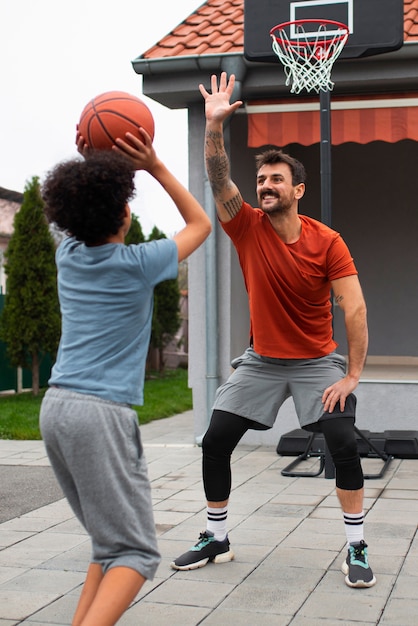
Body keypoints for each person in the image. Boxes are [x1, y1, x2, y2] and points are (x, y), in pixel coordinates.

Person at [171, 72, 376, 589]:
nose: (264, 187)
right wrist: (213, 128)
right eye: (261, 180)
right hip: (261, 359)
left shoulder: (328, 242)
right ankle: (216, 536)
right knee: (215, 440)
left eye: (275, 180)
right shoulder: (245, 226)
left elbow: (354, 309)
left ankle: (355, 544)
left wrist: (350, 376)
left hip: (316, 362)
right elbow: (219, 179)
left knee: (342, 440)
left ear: (297, 190)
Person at [39, 128, 211, 626]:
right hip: (100, 415)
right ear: (122, 213)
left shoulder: (67, 257)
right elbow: (199, 224)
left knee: (107, 545)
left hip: (56, 409)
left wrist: (93, 163)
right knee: (135, 553)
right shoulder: (138, 263)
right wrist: (153, 166)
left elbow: (72, 215)